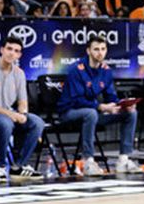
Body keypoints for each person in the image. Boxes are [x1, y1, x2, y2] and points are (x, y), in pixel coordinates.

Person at [58, 34, 139, 176]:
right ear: (88, 51)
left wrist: (122, 105)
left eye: (103, 49)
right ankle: (88, 162)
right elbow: (77, 100)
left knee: (130, 113)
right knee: (91, 113)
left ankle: (123, 160)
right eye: (96, 49)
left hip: (93, 113)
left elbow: (111, 96)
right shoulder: (76, 69)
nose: (100, 53)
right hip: (70, 112)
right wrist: (101, 107)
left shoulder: (106, 70)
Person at [0, 36, 48, 178]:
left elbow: (22, 102)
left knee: (37, 122)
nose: (11, 53)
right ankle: (1, 165)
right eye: (9, 49)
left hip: (8, 112)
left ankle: (18, 166)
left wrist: (23, 114)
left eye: (16, 51)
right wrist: (11, 114)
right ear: (2, 50)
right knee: (6, 123)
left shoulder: (19, 73)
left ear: (19, 55)